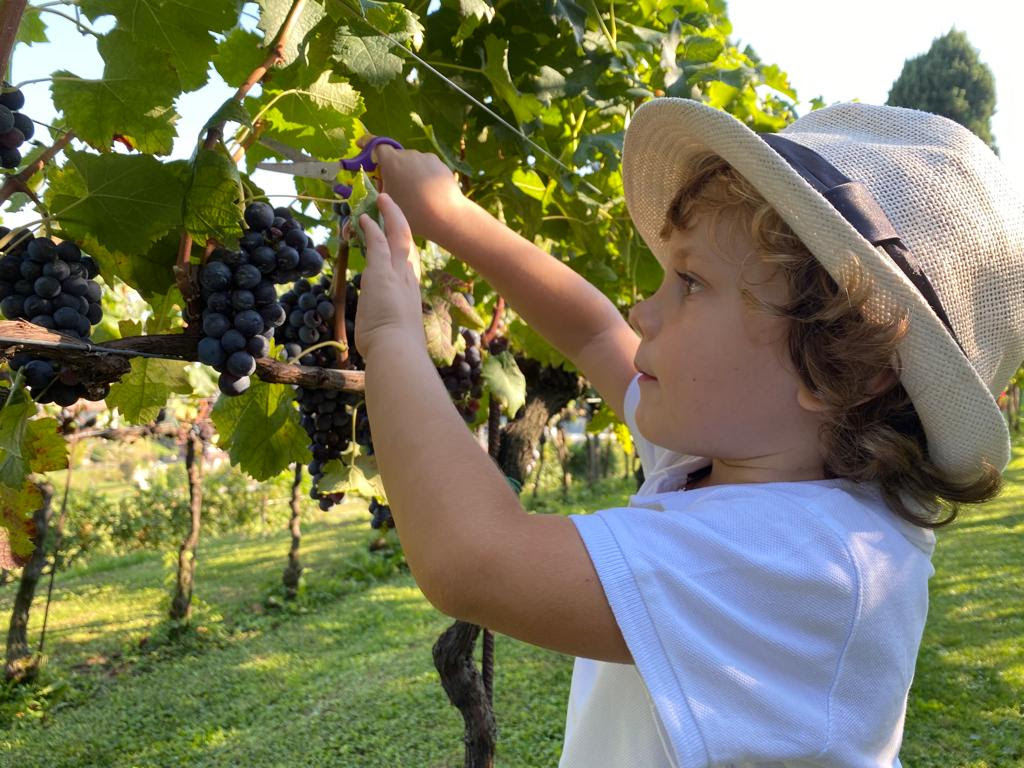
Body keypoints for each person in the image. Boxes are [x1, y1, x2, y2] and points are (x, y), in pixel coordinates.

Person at [348, 99, 1024, 766]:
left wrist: (390, 336)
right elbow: (592, 334)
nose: (643, 310)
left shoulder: (817, 561)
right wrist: (453, 218)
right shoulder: (742, 453)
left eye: (691, 283)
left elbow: (472, 558)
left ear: (839, 363)